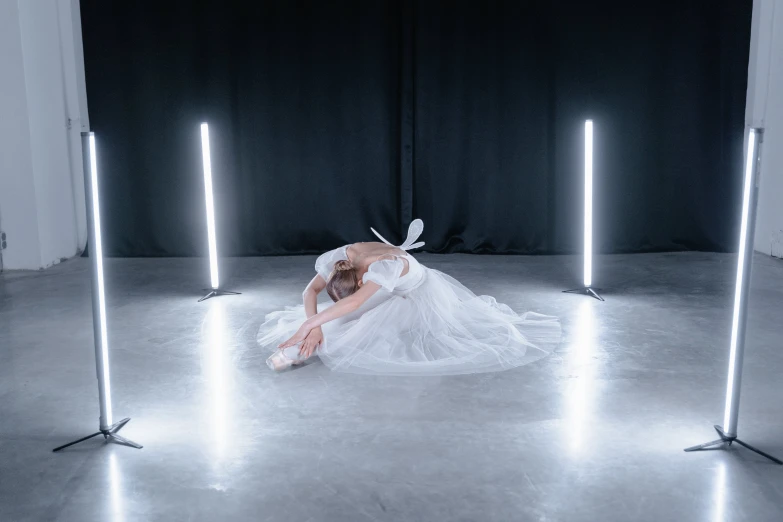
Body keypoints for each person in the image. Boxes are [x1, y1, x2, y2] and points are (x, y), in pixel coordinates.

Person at [258, 219, 561, 375]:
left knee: (351, 318)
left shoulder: (385, 269)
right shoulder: (340, 259)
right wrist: (315, 324)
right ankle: (297, 350)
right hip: (374, 286)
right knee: (334, 319)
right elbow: (310, 291)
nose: (334, 300)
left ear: (361, 280)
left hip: (415, 293)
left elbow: (352, 303)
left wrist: (305, 326)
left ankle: (292, 353)